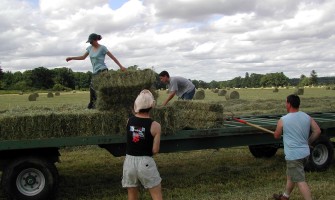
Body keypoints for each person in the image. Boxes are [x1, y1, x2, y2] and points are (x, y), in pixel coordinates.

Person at [273, 94, 321, 200]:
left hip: (294, 156)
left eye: (286, 102)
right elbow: (317, 131)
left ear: (289, 104)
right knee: (291, 175)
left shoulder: (283, 119)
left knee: (300, 180)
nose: (285, 104)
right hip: (305, 154)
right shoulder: (306, 117)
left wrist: (277, 132)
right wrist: (308, 141)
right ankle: (285, 196)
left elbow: (276, 136)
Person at [66, 33, 126, 109]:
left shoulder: (103, 48)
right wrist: (71, 58)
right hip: (95, 72)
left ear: (96, 40)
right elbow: (83, 57)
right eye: (89, 42)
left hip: (102, 71)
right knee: (92, 89)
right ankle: (94, 106)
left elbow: (113, 57)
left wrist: (121, 66)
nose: (90, 43)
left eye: (91, 41)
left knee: (97, 88)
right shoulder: (89, 48)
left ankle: (93, 106)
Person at [122, 89, 163, 200]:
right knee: (156, 194)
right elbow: (155, 150)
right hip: (145, 162)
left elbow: (134, 138)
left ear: (136, 104)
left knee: (132, 194)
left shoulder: (129, 121)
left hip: (129, 162)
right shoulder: (155, 125)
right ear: (152, 106)